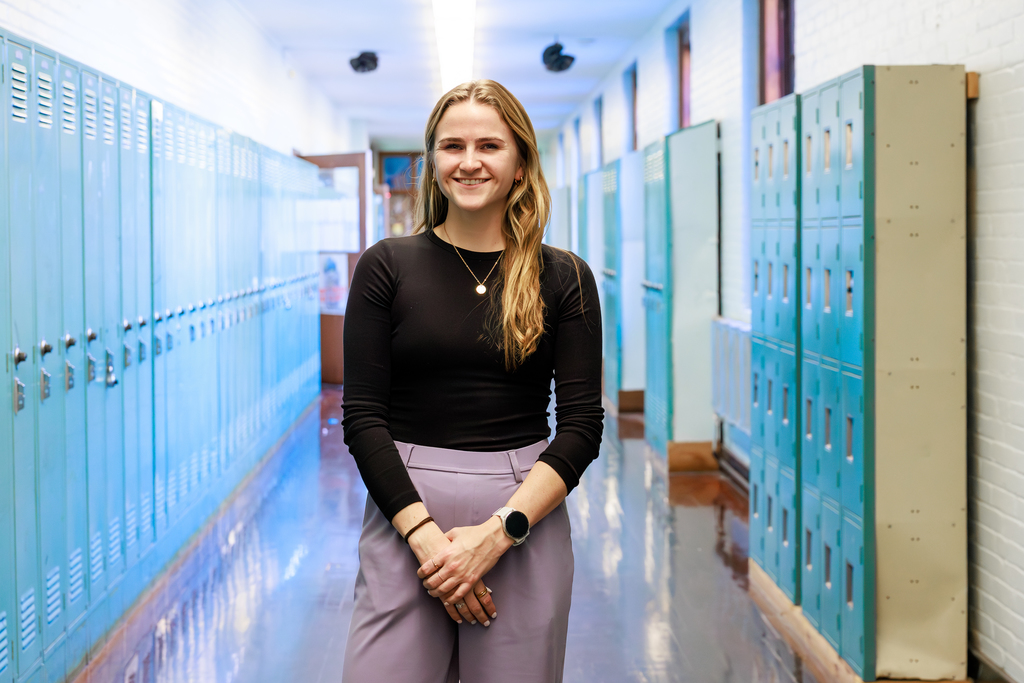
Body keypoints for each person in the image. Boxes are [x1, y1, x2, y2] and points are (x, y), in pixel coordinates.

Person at [340, 79, 604, 683]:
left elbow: (583, 425)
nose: (469, 161)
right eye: (452, 145)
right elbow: (362, 418)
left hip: (523, 512)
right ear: (433, 163)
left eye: (490, 144)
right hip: (405, 507)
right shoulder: (387, 266)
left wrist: (498, 534)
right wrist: (428, 540)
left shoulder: (562, 276)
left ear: (519, 164)